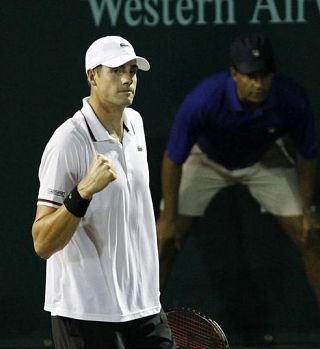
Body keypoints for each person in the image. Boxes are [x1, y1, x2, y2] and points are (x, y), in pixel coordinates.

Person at [32, 35, 177, 349]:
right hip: (85, 314)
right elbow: (42, 242)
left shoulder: (135, 124)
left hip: (143, 306)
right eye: (115, 70)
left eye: (132, 71)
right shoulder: (68, 141)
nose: (127, 79)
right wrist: (83, 191)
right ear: (92, 76)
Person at [157, 33, 320, 307]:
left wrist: (307, 209)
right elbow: (173, 159)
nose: (258, 83)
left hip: (264, 159)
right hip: (205, 160)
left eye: (264, 75)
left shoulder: (291, 98)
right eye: (250, 75)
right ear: (234, 73)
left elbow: (308, 154)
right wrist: (168, 218)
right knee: (164, 241)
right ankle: (142, 327)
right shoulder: (203, 100)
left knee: (311, 235)